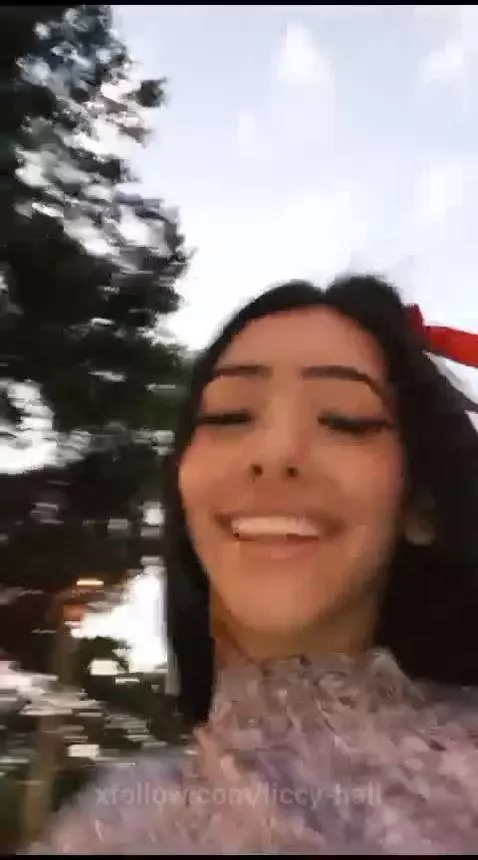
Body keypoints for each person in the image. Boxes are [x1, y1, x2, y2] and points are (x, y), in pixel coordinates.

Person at [25, 275, 478, 854]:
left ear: (421, 507)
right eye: (229, 416)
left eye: (346, 419)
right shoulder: (109, 828)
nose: (275, 452)